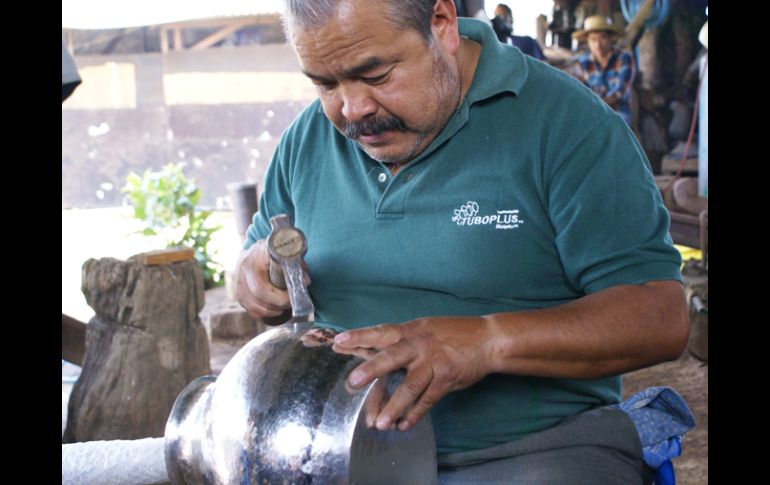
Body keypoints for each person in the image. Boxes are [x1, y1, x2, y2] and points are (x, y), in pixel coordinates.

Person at [236, 1, 688, 483]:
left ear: (442, 24)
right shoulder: (306, 139)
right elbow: (255, 268)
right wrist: (254, 278)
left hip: (529, 453)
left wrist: (488, 340)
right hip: (336, 455)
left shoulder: (567, 125)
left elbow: (659, 317)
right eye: (325, 84)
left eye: (376, 75)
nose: (352, 110)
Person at [571, 15, 636, 125]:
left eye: (603, 38)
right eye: (593, 39)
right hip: (592, 112)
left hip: (618, 111)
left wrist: (596, 109)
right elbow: (580, 94)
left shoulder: (624, 58)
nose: (598, 44)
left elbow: (619, 93)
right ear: (587, 41)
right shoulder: (582, 64)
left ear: (611, 38)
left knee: (614, 125)